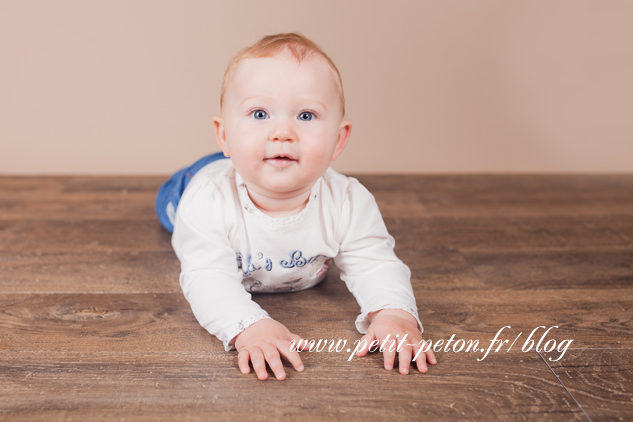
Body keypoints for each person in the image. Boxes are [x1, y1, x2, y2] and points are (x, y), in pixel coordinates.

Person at [156, 33, 436, 380]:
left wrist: (394, 313)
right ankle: (194, 174)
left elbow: (374, 261)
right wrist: (250, 327)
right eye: (259, 113)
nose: (282, 132)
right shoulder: (207, 202)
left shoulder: (347, 201)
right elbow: (206, 277)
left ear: (339, 139)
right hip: (203, 180)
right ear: (225, 134)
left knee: (260, 160)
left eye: (306, 115)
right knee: (172, 205)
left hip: (250, 164)